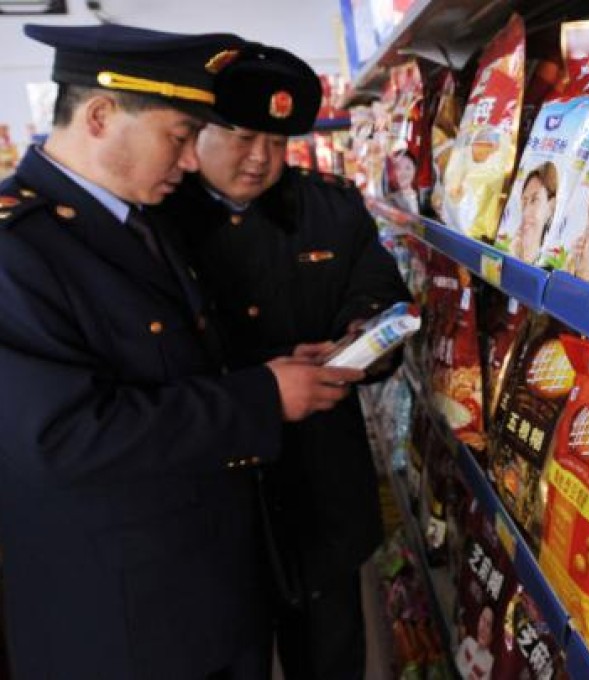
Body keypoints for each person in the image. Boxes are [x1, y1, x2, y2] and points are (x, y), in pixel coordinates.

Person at [0, 24, 359, 680]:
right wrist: (262, 397)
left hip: (205, 587)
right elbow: (61, 436)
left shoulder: (134, 219)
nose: (193, 162)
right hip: (124, 621)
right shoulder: (17, 250)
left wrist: (275, 366)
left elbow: (167, 365)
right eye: (180, 136)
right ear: (102, 116)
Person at [155, 44, 411, 679]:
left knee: (331, 654)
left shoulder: (329, 205)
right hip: (213, 500)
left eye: (276, 140)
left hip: (322, 484)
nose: (260, 158)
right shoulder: (157, 219)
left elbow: (382, 296)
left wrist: (361, 342)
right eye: (240, 136)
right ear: (196, 135)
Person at [512, 162, 557, 264]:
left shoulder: (550, 262)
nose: (526, 212)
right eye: (524, 200)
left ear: (551, 207)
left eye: (534, 200)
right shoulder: (512, 248)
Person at [455, 606, 495, 680]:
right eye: (482, 619)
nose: (483, 628)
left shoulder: (490, 663)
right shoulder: (468, 642)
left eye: (488, 624)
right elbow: (455, 665)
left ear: (492, 633)